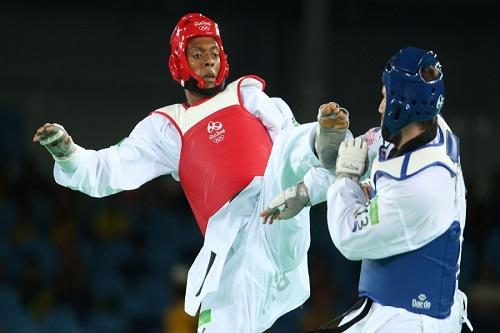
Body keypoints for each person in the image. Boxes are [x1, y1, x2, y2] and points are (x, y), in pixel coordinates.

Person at [32, 13, 350, 333]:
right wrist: (68, 154)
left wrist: (312, 179)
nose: (208, 63)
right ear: (178, 63)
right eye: (197, 55)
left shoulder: (248, 95)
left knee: (289, 152)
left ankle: (324, 140)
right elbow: (107, 169)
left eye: (214, 54)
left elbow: (297, 156)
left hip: (277, 205)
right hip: (231, 251)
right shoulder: (169, 128)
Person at [263, 47, 473, 332]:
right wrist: (306, 191)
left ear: (403, 105)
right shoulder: (423, 129)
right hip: (385, 308)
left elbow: (348, 235)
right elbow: (361, 153)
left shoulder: (422, 187)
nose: (380, 108)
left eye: (385, 99)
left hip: (411, 321)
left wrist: (346, 181)